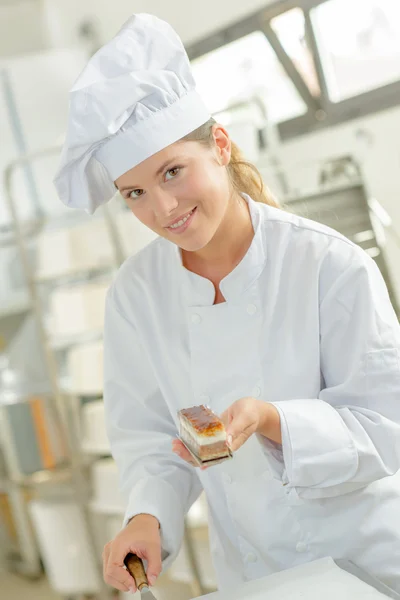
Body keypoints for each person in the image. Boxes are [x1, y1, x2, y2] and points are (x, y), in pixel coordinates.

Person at [54, 13, 400, 597]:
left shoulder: (328, 265)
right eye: (134, 193)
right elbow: (147, 439)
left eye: (173, 172)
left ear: (219, 146)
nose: (162, 209)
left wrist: (272, 419)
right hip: (254, 575)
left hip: (362, 567)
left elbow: (386, 430)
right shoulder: (137, 295)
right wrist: (148, 518)